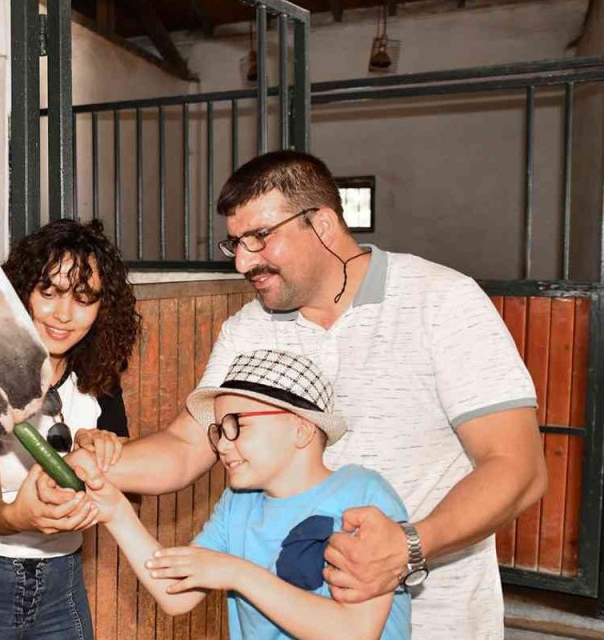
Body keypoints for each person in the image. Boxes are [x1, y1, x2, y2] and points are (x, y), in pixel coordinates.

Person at [63, 150, 546, 639]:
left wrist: (409, 546)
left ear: (321, 222)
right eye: (235, 243)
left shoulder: (441, 300)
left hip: (439, 619)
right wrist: (88, 467)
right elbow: (188, 447)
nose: (244, 261)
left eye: (259, 238)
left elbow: (517, 467)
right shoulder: (247, 329)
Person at [91, 349, 411, 639]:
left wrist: (236, 573)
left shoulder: (363, 494)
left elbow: (354, 632)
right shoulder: (237, 504)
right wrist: (117, 512)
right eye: (217, 430)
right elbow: (175, 593)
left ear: (301, 429)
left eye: (236, 425)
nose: (222, 445)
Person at [0, 218, 140, 640]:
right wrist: (18, 516)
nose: (63, 314)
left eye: (83, 298)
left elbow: (127, 486)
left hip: (63, 580)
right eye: (50, 292)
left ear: (102, 308)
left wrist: (107, 450)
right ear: (23, 291)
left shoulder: (99, 376)